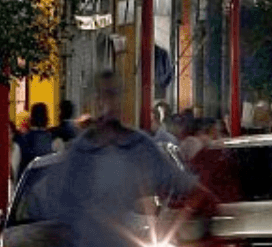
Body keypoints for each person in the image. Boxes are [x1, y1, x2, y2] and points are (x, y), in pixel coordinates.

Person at [19, 71, 213, 247]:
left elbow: (195, 191)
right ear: (91, 102)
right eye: (99, 96)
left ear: (121, 100)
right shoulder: (78, 153)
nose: (105, 103)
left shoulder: (139, 147)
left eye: (111, 94)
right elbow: (40, 206)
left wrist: (177, 226)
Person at [19, 102, 55, 173]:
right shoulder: (52, 139)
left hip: (30, 176)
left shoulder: (24, 139)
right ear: (46, 117)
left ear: (31, 118)